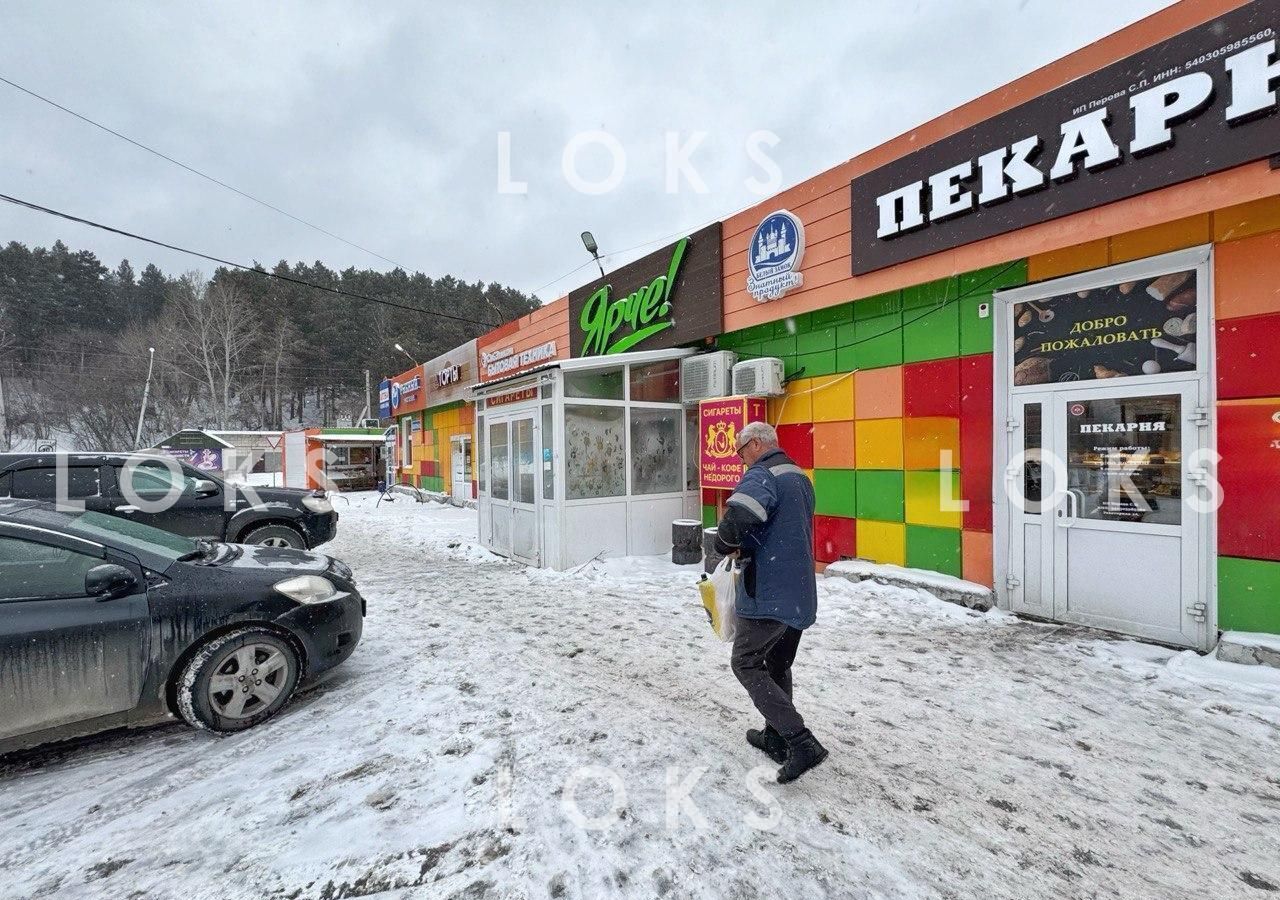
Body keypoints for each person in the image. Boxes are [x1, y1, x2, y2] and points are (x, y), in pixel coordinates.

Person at [714, 420, 827, 784]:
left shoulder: (762, 475)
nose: (740, 457)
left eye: (741, 448)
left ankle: (801, 741)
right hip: (798, 592)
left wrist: (724, 542)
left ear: (758, 444)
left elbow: (739, 520)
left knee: (746, 662)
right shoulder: (799, 476)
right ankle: (775, 736)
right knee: (777, 663)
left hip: (769, 592)